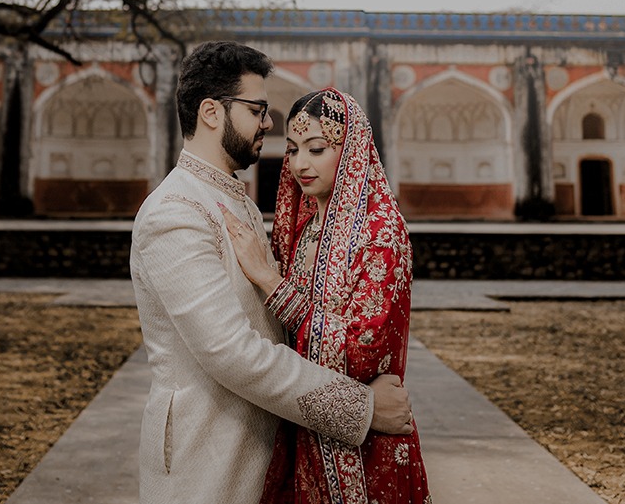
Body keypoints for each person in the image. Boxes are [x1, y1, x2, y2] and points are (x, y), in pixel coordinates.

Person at [130, 42, 413, 504]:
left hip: (266, 452)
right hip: (207, 459)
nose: (268, 122)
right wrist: (362, 408)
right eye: (257, 110)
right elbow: (231, 352)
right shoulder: (175, 212)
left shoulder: (234, 200)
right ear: (211, 112)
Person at [223, 87, 431, 504]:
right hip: (305, 426)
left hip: (365, 449)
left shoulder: (380, 232)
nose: (300, 163)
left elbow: (361, 353)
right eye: (293, 149)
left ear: (350, 149)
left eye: (316, 149)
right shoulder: (304, 230)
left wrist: (269, 281)